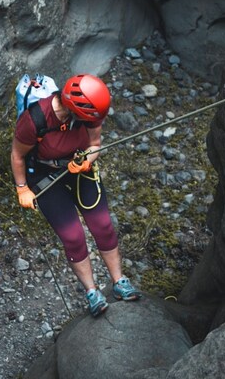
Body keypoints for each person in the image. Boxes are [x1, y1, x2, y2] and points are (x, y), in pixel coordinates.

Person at [11, 73, 141, 317]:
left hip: (79, 166)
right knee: (72, 237)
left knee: (102, 225)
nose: (94, 122)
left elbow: (95, 143)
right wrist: (22, 189)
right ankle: (92, 292)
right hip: (44, 174)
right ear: (73, 109)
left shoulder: (90, 113)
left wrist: (86, 161)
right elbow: (17, 155)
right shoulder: (35, 119)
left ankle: (119, 281)